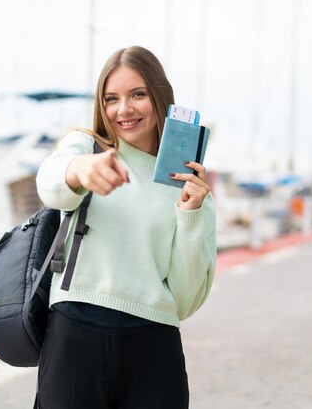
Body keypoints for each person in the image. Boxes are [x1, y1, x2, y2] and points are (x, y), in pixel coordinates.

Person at [34, 46, 216, 409]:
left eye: (138, 95)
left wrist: (191, 214)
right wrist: (79, 170)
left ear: (160, 97)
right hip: (75, 333)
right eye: (111, 98)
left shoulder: (190, 185)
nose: (123, 110)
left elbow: (183, 299)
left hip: (154, 346)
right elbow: (50, 183)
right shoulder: (87, 146)